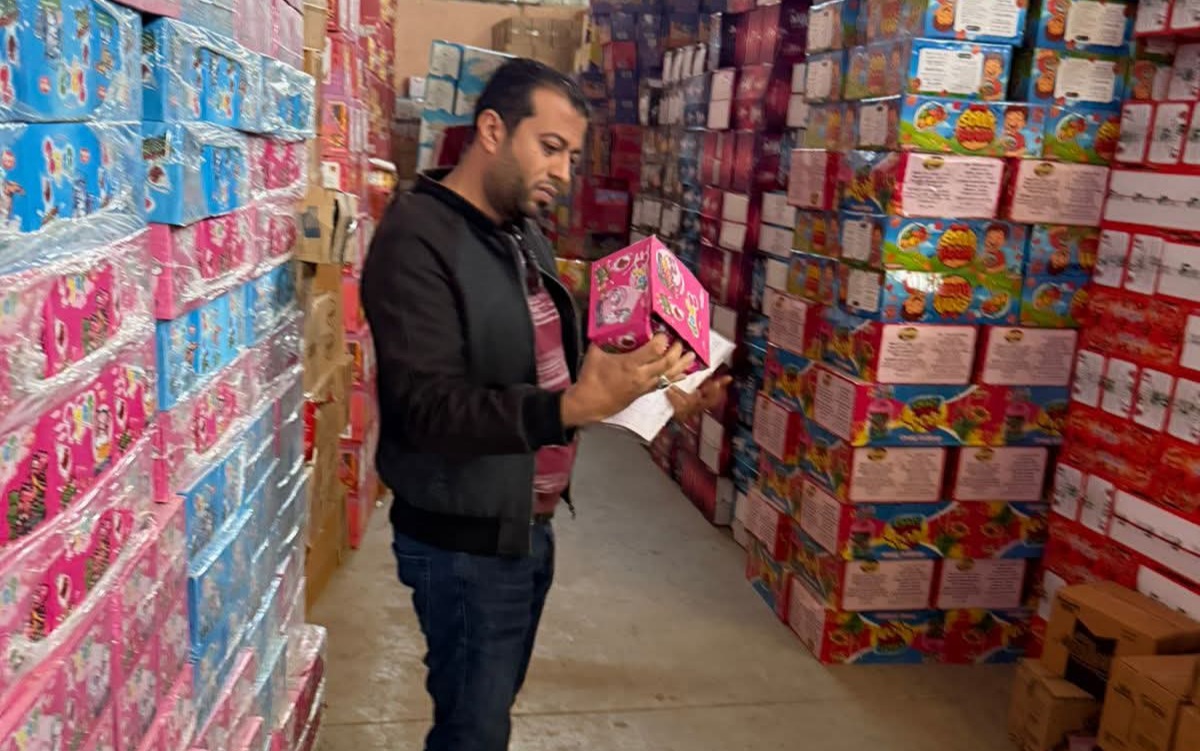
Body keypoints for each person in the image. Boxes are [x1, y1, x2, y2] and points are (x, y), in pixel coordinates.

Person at [360, 58, 730, 751]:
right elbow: (428, 411)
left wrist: (658, 397)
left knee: (487, 713)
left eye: (572, 157)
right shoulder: (415, 241)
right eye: (550, 148)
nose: (562, 172)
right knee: (473, 731)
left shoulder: (518, 228)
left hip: (524, 525)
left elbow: (559, 375)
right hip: (463, 541)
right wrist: (566, 411)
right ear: (492, 130)